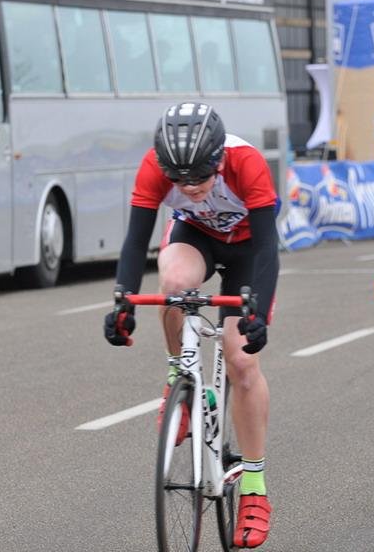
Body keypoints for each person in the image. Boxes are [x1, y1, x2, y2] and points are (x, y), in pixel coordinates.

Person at [103, 102, 279, 549]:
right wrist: (123, 302)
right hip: (195, 236)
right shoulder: (154, 166)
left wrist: (257, 314)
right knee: (174, 286)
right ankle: (177, 375)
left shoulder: (246, 162)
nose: (191, 186)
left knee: (241, 361)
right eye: (179, 180)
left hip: (248, 249)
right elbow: (135, 241)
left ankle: (254, 488)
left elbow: (268, 248)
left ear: (218, 159)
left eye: (200, 176)